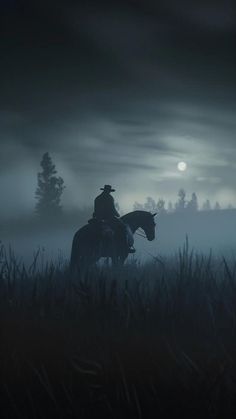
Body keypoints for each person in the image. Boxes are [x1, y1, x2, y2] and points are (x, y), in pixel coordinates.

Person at [93, 185, 135, 253]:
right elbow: (112, 209)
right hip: (108, 217)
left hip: (97, 218)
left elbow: (95, 209)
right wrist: (117, 214)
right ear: (108, 191)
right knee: (123, 227)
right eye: (109, 191)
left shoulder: (97, 198)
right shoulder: (109, 198)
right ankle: (126, 247)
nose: (109, 192)